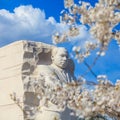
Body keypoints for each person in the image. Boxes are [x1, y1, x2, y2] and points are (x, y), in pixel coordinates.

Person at [35, 47, 77, 120]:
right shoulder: (44, 68)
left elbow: (78, 92)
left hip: (69, 114)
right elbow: (55, 86)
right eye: (62, 56)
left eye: (67, 57)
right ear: (52, 57)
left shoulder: (71, 76)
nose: (65, 59)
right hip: (52, 112)